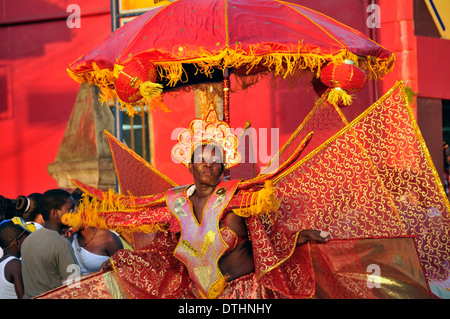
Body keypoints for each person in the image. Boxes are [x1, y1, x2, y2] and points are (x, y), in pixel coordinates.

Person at [62, 104, 331, 299]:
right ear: (189, 164)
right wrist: (116, 246)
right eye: (202, 158)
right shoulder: (175, 204)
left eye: (215, 159)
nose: (208, 164)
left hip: (245, 294)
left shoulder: (239, 200)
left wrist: (301, 235)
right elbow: (142, 225)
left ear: (224, 167)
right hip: (197, 298)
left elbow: (270, 238)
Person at [20, 189, 79, 299]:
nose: (75, 213)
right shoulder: (62, 244)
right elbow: (74, 287)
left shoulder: (28, 240)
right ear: (55, 213)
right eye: (70, 209)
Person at [0, 217, 33, 299]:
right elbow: (23, 297)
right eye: (25, 238)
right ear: (17, 243)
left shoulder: (2, 263)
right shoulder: (15, 265)